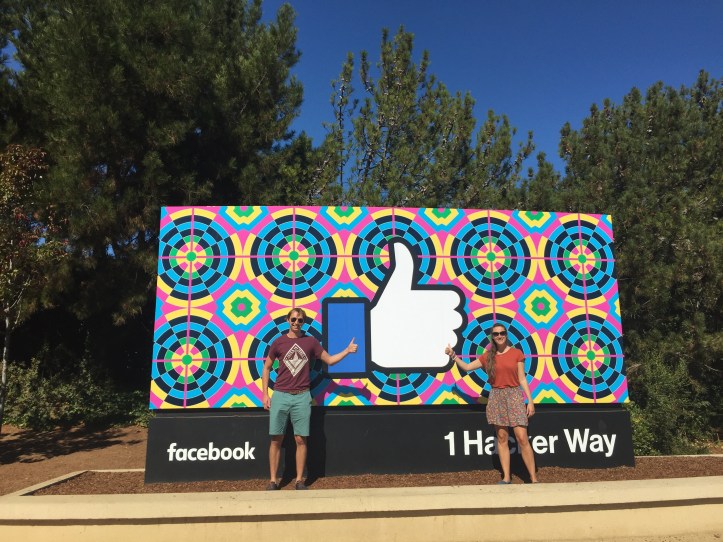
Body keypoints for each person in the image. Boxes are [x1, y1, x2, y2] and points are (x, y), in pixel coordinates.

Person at [262, 307, 357, 490]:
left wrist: (347, 350)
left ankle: (299, 480)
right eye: (293, 319)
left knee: (300, 439)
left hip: (302, 396)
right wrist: (265, 394)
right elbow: (266, 368)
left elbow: (329, 360)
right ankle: (273, 481)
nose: (296, 323)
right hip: (280, 395)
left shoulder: (311, 342)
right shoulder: (278, 342)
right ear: (287, 320)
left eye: (300, 320)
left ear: (303, 322)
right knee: (276, 439)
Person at [445, 323, 539, 484]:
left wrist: (530, 401)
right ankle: (506, 477)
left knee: (522, 437)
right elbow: (467, 367)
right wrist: (453, 355)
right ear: (492, 337)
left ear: (506, 334)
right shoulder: (488, 356)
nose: (499, 336)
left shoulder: (517, 353)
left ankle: (534, 479)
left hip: (515, 395)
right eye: (496, 334)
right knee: (502, 437)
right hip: (496, 396)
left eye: (502, 333)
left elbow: (522, 379)